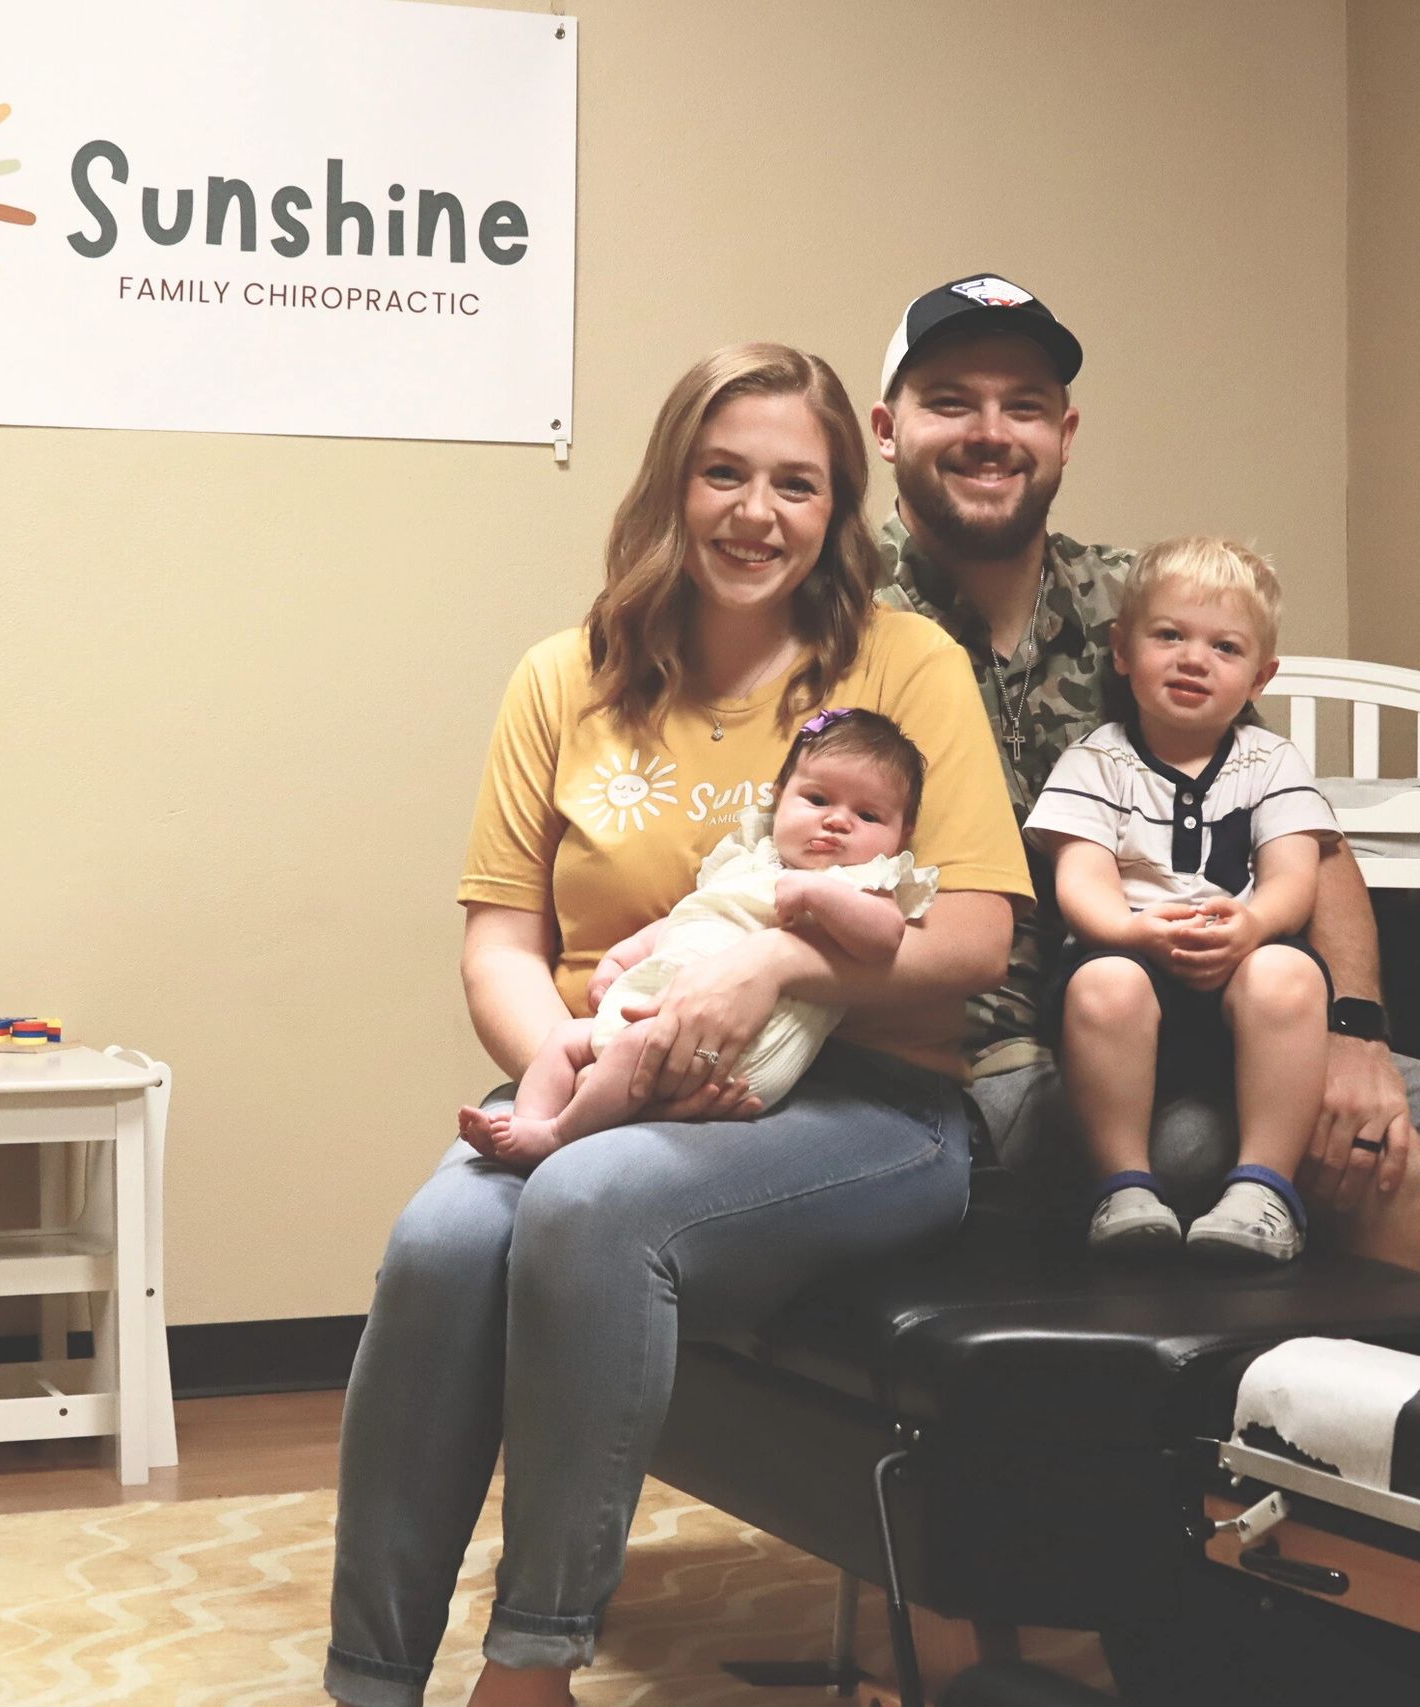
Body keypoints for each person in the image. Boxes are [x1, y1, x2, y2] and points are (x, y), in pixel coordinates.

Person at [325, 343, 1030, 1707]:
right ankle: (370, 1676)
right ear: (673, 484)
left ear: (839, 507)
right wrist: (560, 1049)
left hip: (871, 1105)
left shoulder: (904, 663)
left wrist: (779, 969)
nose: (757, 512)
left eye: (796, 483)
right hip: (604, 1080)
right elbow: (503, 938)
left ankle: (530, 1663)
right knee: (441, 1235)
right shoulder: (564, 676)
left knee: (592, 1201)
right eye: (724, 473)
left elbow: (978, 937)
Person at [870, 273, 1420, 1296]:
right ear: (886, 429)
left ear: (1063, 434)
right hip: (984, 1071)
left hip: (1193, 1026)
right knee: (1380, 1169)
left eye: (1020, 406)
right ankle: (1316, 1443)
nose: (989, 432)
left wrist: (1355, 1032)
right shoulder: (846, 616)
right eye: (949, 401)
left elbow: (1294, 832)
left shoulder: (1144, 603)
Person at [1028, 537, 1340, 1262]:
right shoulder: (1096, 760)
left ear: (1261, 676)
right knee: (1105, 983)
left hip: (1241, 969)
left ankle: (1263, 1191)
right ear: (1122, 650)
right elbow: (1081, 876)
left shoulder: (1271, 762)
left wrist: (1255, 922)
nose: (1193, 658)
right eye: (1168, 635)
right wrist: (1130, 933)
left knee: (1290, 975)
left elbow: (1295, 873)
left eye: (1224, 647)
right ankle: (1122, 1189)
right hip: (1129, 967)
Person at [457, 708, 939, 1167]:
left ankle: (559, 1134)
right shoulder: (750, 860)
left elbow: (885, 937)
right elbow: (690, 915)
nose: (838, 821)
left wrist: (820, 894)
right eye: (817, 800)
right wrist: (624, 958)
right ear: (778, 797)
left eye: (869, 816)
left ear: (902, 833)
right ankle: (528, 1124)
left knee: (630, 1051)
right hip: (658, 1013)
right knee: (565, 1038)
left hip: (741, 1046)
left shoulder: (860, 884)